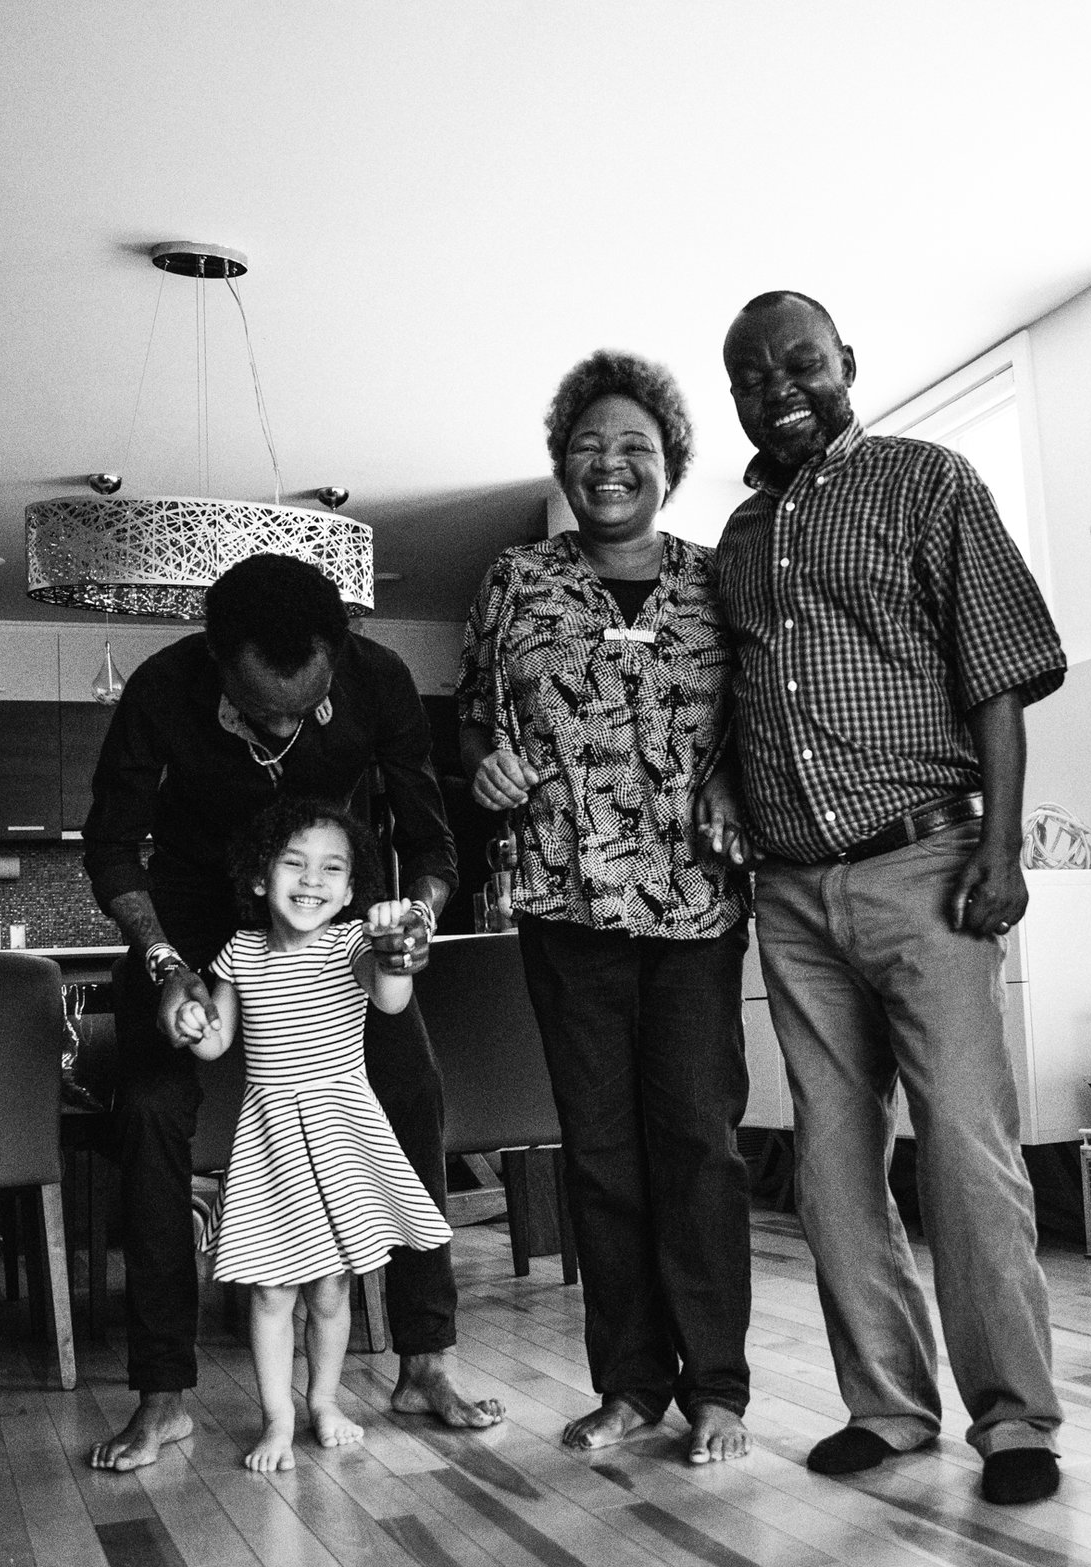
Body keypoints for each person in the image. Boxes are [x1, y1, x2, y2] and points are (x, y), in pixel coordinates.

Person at [711, 291, 1068, 1506]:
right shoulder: (741, 536)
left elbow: (1001, 675)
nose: (779, 383)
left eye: (800, 359)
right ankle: (888, 1406)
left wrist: (1003, 846)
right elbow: (740, 699)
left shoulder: (929, 479)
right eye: (752, 374)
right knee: (827, 1160)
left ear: (847, 362)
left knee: (965, 1149)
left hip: (929, 866)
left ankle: (1015, 1418)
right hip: (792, 892)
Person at [82, 551, 500, 1471]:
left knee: (414, 1091)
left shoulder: (378, 680)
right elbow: (111, 849)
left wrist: (412, 922)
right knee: (149, 1111)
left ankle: (424, 1359)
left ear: (336, 661)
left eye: (299, 712)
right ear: (214, 659)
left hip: (333, 913)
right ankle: (162, 1395)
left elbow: (432, 843)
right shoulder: (160, 687)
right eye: (257, 711)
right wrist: (163, 965)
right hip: (191, 918)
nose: (278, 729)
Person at [458, 350, 754, 1466]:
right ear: (560, 465)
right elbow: (476, 721)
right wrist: (485, 763)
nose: (610, 463)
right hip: (562, 900)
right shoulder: (515, 580)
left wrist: (729, 778)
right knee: (599, 1149)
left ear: (670, 462)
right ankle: (629, 1384)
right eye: (588, 446)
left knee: (698, 1144)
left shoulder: (714, 580)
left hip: (693, 907)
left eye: (633, 445)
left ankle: (715, 1387)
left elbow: (753, 723)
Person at [172, 799, 453, 1472]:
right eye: (293, 863)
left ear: (352, 890)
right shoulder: (239, 952)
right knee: (271, 1290)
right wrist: (190, 1019)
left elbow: (389, 997)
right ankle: (277, 1418)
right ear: (261, 878)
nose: (311, 879)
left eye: (332, 868)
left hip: (338, 1133)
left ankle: (324, 1400)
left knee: (329, 1287)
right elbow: (218, 1043)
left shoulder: (353, 943)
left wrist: (393, 939)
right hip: (270, 1140)